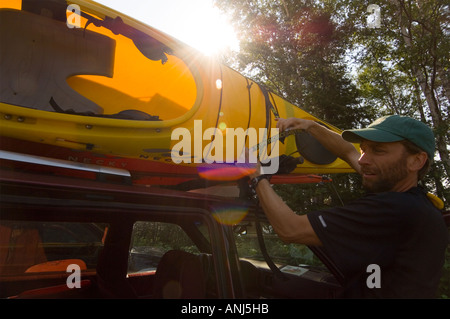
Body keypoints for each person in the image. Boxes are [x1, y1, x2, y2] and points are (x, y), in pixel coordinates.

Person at [248, 114, 448, 298]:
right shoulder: (417, 202)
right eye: (364, 149)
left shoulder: (395, 209)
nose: (363, 160)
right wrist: (308, 125)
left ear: (416, 160)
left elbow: (291, 229)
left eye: (378, 150)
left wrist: (257, 176)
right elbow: (347, 151)